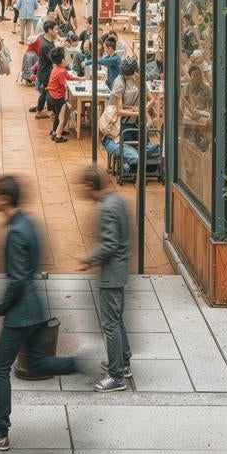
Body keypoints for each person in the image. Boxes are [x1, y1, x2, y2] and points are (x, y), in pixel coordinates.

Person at [0, 174, 78, 451]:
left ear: (5, 199)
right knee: (38, 363)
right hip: (35, 310)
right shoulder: (27, 223)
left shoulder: (15, 232)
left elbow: (17, 279)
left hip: (20, 314)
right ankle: (80, 365)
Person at [79, 165, 132, 392]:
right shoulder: (116, 201)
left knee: (110, 323)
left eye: (83, 186)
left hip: (112, 274)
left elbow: (110, 244)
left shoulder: (107, 208)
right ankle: (124, 361)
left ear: (91, 186)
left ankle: (116, 376)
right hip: (120, 271)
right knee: (117, 319)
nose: (81, 190)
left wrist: (89, 258)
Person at [30, 20, 60, 118]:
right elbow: (54, 58)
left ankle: (40, 111)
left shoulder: (47, 40)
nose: (57, 31)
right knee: (49, 93)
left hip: (44, 71)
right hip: (46, 73)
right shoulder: (46, 45)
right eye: (55, 29)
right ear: (49, 30)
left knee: (45, 92)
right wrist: (61, 48)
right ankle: (52, 112)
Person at [46, 48, 72, 143]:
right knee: (62, 118)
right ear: (62, 60)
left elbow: (67, 77)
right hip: (57, 98)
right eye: (65, 58)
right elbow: (63, 83)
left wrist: (78, 78)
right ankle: (58, 136)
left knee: (57, 115)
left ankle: (54, 132)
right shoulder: (61, 71)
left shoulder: (56, 68)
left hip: (50, 96)